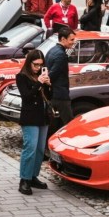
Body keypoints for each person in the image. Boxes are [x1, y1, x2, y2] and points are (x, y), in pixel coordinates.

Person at [16, 50, 51, 195]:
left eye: (40, 65)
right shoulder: (22, 77)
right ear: (29, 62)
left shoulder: (41, 76)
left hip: (43, 116)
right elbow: (27, 96)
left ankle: (33, 176)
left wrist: (48, 85)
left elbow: (49, 96)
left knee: (40, 150)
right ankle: (24, 179)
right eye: (35, 65)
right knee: (30, 148)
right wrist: (39, 83)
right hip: (30, 117)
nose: (37, 68)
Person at [44, 26, 76, 127]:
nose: (73, 42)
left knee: (55, 124)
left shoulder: (51, 50)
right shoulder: (61, 55)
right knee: (68, 124)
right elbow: (53, 74)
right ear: (63, 39)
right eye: (71, 39)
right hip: (60, 95)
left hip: (53, 93)